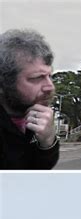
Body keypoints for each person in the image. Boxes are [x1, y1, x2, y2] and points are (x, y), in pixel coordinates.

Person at [0, 28, 59, 169]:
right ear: (3, 83)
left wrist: (47, 142)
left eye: (49, 76)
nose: (50, 87)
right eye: (36, 78)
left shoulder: (30, 113)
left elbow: (38, 171)